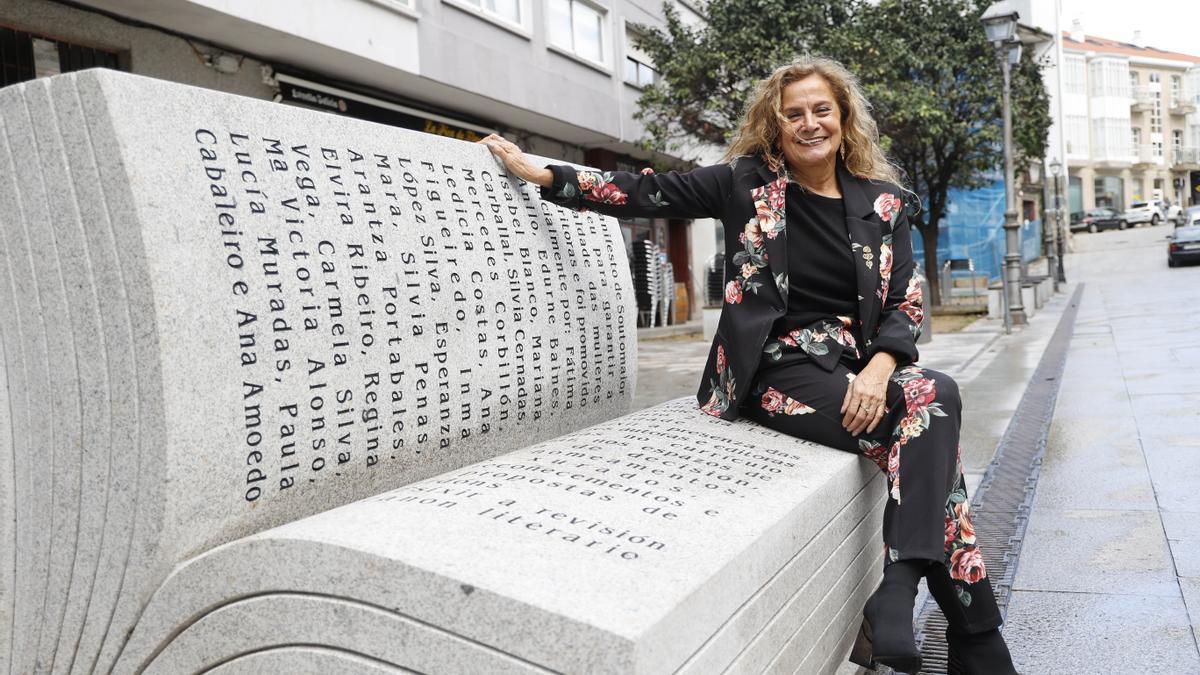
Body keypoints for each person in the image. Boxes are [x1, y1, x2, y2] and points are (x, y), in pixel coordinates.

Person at [480, 56, 1017, 675]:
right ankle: (960, 629)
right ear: (775, 123)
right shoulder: (743, 185)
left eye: (822, 110)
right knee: (932, 419)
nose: (810, 123)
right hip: (774, 374)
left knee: (931, 409)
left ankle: (922, 609)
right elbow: (642, 191)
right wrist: (541, 171)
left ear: (844, 118)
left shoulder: (887, 205)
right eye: (795, 114)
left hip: (854, 369)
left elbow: (905, 299)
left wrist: (880, 368)